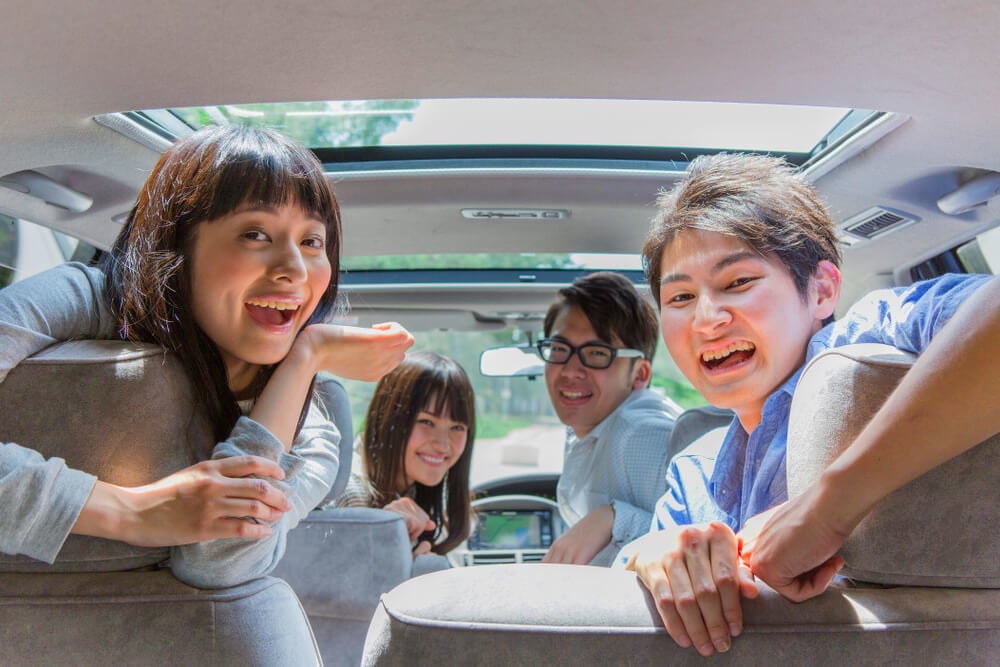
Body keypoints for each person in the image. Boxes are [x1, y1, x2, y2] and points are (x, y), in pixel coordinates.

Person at [618, 152, 999, 657]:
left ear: (822, 290)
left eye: (738, 282)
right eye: (680, 299)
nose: (706, 320)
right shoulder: (694, 472)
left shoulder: (869, 333)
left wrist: (825, 510)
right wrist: (649, 554)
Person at [0, 124, 414, 587]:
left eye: (312, 241)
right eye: (256, 233)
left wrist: (306, 357)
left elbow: (220, 562)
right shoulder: (88, 296)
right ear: (178, 243)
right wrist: (129, 511)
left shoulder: (313, 434)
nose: (295, 270)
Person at [538, 271, 681, 567]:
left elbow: (701, 541)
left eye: (597, 353)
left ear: (639, 374)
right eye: (560, 349)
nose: (570, 370)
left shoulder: (641, 435)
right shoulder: (592, 429)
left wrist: (615, 519)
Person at [327, 350, 475, 556]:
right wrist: (381, 530)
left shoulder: (425, 493)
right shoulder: (348, 493)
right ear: (388, 419)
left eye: (457, 427)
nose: (442, 445)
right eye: (426, 422)